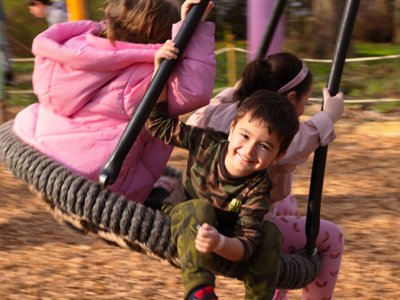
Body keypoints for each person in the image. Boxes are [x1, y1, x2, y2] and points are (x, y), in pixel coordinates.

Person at [13, 0, 216, 204]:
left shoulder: (74, 47)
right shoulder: (146, 73)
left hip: (40, 140)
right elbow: (194, 92)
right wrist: (194, 29)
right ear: (165, 39)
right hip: (94, 174)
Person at [185, 53, 345, 300]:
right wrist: (329, 116)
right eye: (305, 100)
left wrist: (239, 88)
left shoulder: (219, 113)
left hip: (205, 207)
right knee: (332, 238)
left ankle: (276, 295)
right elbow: (305, 138)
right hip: (239, 227)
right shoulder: (273, 139)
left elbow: (200, 115)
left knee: (287, 204)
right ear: (291, 100)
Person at [147, 44, 300, 299]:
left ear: (278, 155)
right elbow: (158, 124)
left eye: (264, 146)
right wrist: (159, 72)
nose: (249, 151)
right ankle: (200, 291)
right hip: (184, 214)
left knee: (270, 234)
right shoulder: (206, 142)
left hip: (227, 236)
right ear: (231, 128)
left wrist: (220, 243)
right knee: (200, 209)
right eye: (244, 135)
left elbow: (248, 242)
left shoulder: (259, 186)